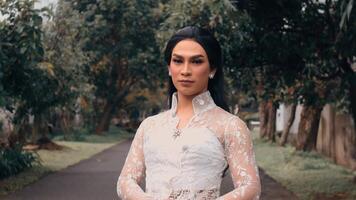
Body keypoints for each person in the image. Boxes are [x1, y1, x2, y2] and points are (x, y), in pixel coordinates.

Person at [117, 26, 261, 200]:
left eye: (196, 61)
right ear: (169, 67)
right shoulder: (150, 126)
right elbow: (126, 180)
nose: (185, 70)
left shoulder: (230, 126)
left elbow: (250, 187)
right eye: (178, 61)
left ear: (212, 69)